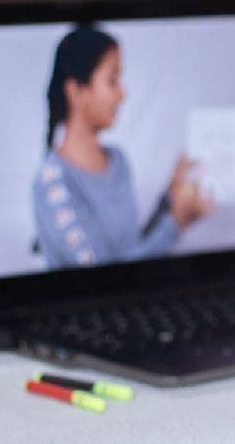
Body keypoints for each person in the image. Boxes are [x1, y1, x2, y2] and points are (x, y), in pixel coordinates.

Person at [33, 25, 209, 269]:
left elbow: (131, 251)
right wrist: (177, 223)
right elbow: (106, 279)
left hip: (137, 302)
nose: (122, 94)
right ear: (76, 91)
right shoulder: (52, 185)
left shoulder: (118, 160)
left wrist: (170, 199)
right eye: (112, 81)